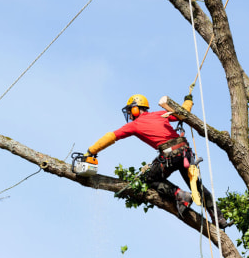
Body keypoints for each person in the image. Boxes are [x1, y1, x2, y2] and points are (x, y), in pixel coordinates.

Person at [85, 94, 231, 229]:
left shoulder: (134, 125)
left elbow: (112, 136)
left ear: (136, 109)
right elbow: (184, 112)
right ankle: (219, 217)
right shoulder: (160, 114)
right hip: (185, 153)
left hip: (171, 155)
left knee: (148, 179)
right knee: (197, 187)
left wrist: (92, 151)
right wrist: (188, 100)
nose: (130, 115)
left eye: (130, 111)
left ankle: (180, 195)